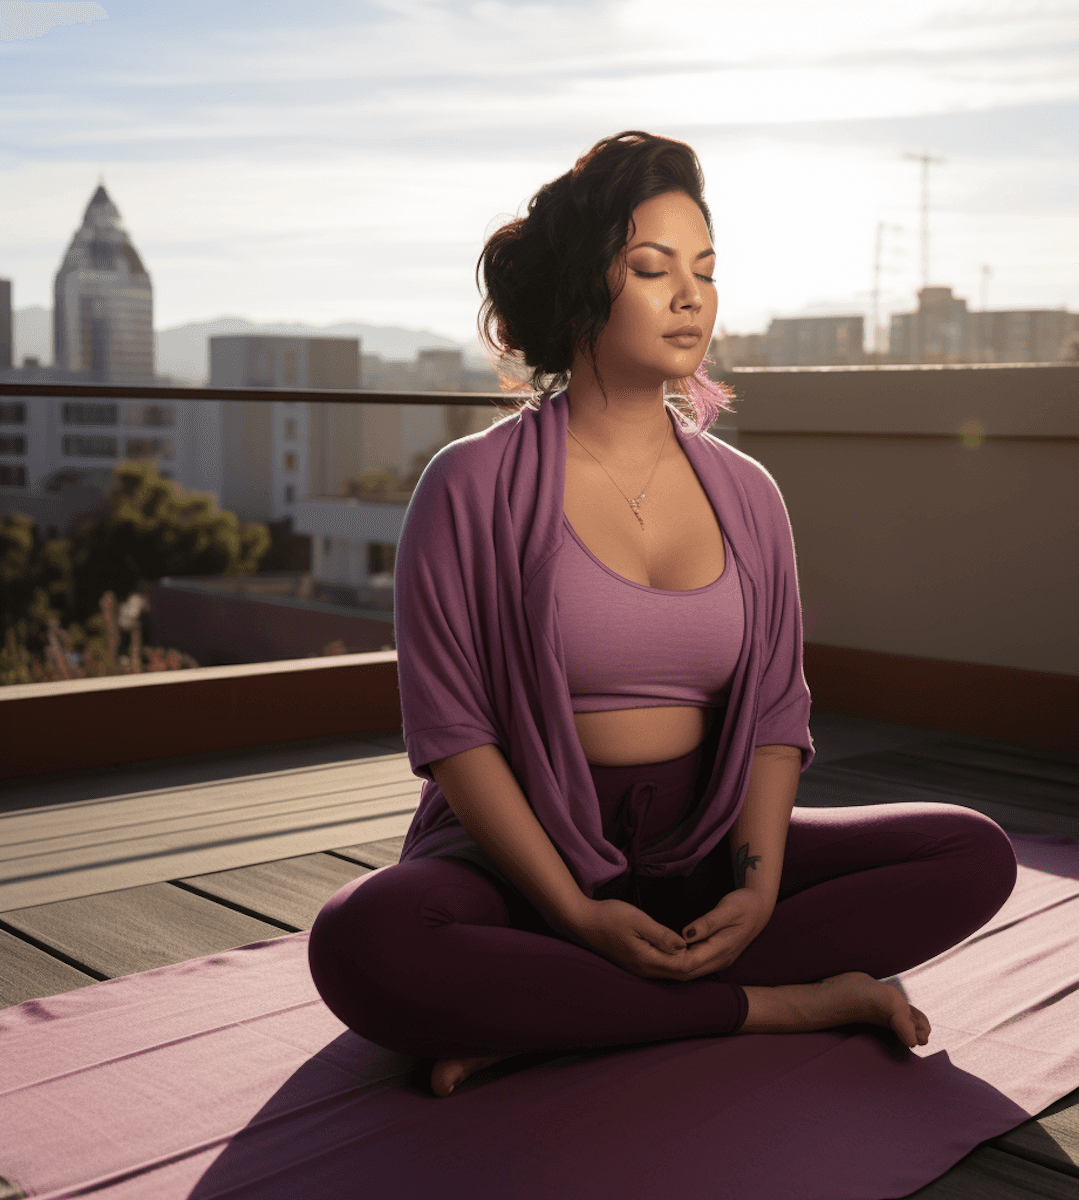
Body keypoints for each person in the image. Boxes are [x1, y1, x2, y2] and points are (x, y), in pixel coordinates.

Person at [308, 131, 1018, 1098]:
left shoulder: (750, 494)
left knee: (968, 854)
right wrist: (574, 912)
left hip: (704, 842)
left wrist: (758, 893)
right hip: (523, 857)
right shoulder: (468, 484)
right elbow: (456, 734)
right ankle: (784, 1005)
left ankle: (558, 1016)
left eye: (707, 270)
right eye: (651, 267)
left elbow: (774, 718)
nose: (691, 296)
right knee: (366, 941)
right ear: (579, 287)